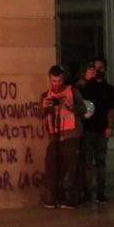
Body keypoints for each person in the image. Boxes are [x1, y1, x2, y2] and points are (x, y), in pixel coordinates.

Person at [39, 65, 87, 209]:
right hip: (54, 137)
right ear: (50, 80)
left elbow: (83, 110)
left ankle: (72, 199)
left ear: (63, 79)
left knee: (73, 169)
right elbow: (39, 114)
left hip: (71, 135)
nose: (57, 84)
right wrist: (46, 107)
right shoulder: (45, 95)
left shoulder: (72, 91)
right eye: (54, 81)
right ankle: (55, 198)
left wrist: (70, 106)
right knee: (52, 167)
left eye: (59, 80)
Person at [78, 58, 114, 204]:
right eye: (95, 67)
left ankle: (101, 193)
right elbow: (74, 91)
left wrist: (110, 127)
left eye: (100, 67)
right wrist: (85, 79)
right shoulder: (87, 86)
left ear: (105, 69)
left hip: (101, 131)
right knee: (87, 163)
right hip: (86, 130)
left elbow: (112, 109)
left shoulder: (109, 89)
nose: (98, 70)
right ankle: (87, 193)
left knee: (100, 163)